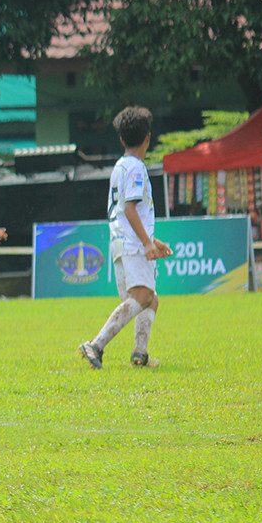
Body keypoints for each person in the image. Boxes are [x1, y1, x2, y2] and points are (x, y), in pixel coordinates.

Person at [79, 106, 172, 369]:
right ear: (148, 138)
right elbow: (130, 208)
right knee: (143, 297)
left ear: (121, 139)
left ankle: (139, 355)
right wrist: (145, 243)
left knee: (150, 299)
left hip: (121, 240)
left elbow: (125, 210)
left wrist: (152, 240)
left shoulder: (120, 166)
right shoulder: (136, 168)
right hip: (132, 244)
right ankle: (95, 345)